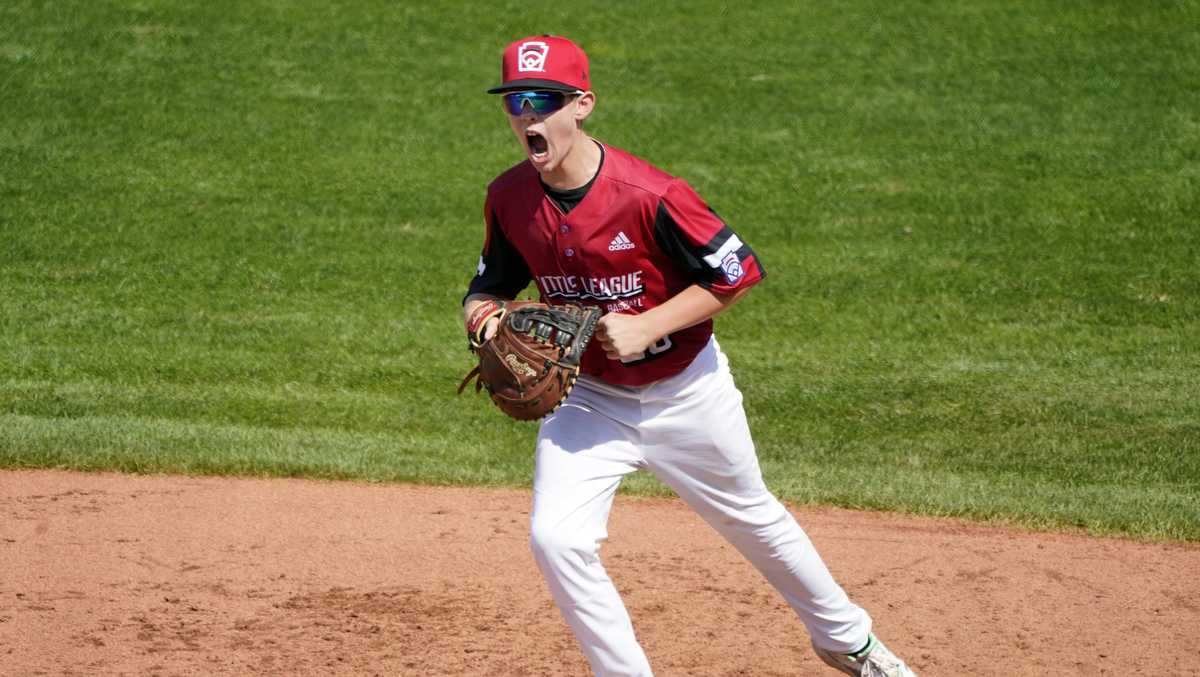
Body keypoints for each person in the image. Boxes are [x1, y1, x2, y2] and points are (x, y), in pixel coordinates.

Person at [462, 34, 918, 677]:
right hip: (590, 401)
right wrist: (481, 320)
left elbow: (738, 270)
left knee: (753, 518)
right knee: (556, 538)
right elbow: (487, 287)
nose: (529, 115)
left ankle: (849, 643)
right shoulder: (508, 197)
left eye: (544, 99)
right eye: (516, 102)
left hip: (686, 392)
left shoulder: (649, 194)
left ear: (582, 105)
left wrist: (648, 326)